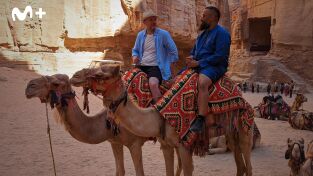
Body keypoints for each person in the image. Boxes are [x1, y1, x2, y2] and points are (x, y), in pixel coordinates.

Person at [185, 6, 231, 133]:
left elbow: (220, 56)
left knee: (203, 83)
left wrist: (199, 62)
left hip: (215, 66)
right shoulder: (202, 35)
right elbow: (194, 52)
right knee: (177, 80)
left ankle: (200, 118)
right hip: (199, 64)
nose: (202, 18)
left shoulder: (222, 34)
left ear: (213, 18)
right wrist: (191, 57)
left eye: (205, 16)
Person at [132, 10, 178, 103]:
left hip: (156, 67)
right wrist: (135, 56)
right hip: (141, 66)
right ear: (145, 22)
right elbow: (135, 50)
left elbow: (173, 51)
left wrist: (171, 66)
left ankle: (159, 108)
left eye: (155, 19)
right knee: (127, 80)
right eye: (151, 20)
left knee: (153, 84)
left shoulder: (163, 34)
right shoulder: (140, 35)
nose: (154, 22)